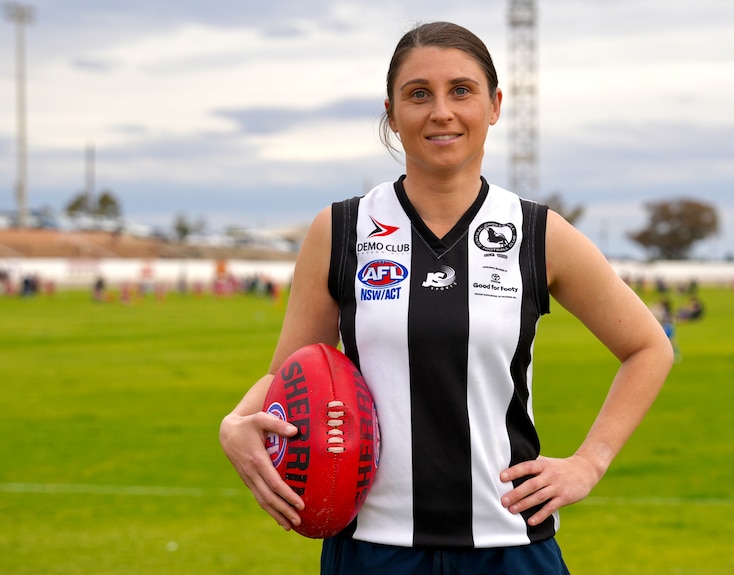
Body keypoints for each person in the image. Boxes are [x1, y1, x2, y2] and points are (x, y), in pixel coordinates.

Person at [219, 21, 674, 575]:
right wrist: (235, 422)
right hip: (371, 548)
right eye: (418, 94)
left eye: (461, 90)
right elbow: (292, 374)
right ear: (391, 112)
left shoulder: (537, 233)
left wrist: (590, 461)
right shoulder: (339, 230)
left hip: (508, 544)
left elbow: (649, 347)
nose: (441, 111)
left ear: (494, 105)